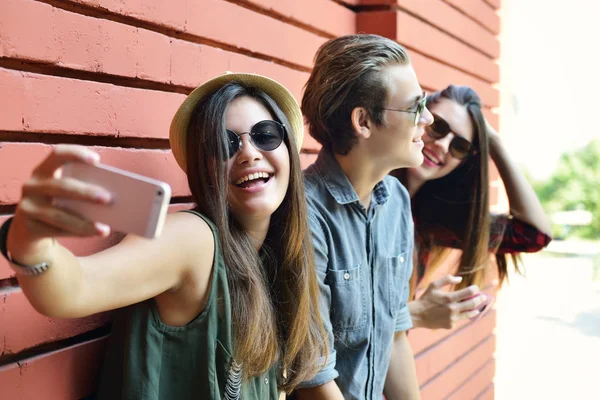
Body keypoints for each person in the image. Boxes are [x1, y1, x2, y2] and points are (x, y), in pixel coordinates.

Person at [0, 73, 328, 399]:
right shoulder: (193, 240)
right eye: (222, 144)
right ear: (203, 168)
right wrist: (29, 242)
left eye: (265, 135)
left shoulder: (278, 260)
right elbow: (75, 288)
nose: (248, 153)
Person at [292, 34, 433, 400]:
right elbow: (313, 379)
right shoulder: (304, 213)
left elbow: (395, 337)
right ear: (364, 121)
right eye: (416, 107)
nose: (429, 119)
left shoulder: (397, 201)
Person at [391, 85, 552, 330]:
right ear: (419, 117)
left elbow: (533, 235)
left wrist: (493, 142)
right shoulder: (364, 197)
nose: (443, 145)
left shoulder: (430, 218)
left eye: (460, 146)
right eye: (438, 127)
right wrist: (417, 314)